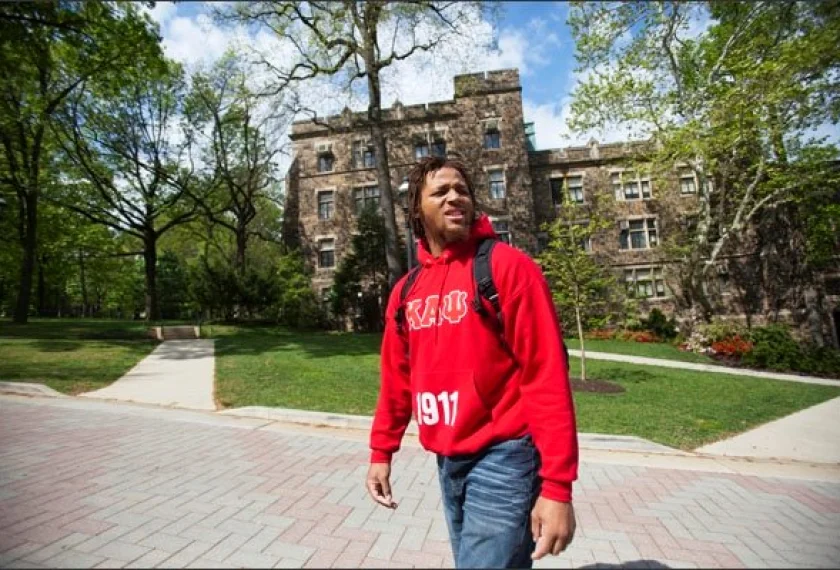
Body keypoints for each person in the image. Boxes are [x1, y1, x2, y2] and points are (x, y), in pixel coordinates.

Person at [366, 156, 579, 568]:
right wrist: (381, 451)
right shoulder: (405, 292)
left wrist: (557, 486)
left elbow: (545, 376)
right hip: (447, 459)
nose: (454, 198)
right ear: (416, 210)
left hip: (505, 456)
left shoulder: (507, 268)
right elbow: (396, 381)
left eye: (461, 190)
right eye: (440, 191)